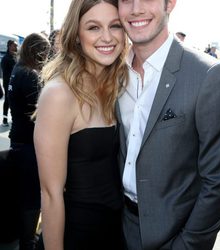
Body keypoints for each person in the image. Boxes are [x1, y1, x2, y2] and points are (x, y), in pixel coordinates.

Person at [117, 0, 220, 249]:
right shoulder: (113, 73)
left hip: (176, 237)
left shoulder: (208, 75)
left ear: (170, 3)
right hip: (119, 230)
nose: (136, 8)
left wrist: (188, 244)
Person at [33, 0, 128, 249]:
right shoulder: (58, 95)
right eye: (94, 27)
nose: (107, 37)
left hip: (115, 232)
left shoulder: (115, 85)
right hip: (76, 235)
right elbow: (51, 195)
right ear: (76, 35)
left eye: (115, 25)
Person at [8, 32, 50, 250]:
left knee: (25, 195)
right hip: (30, 146)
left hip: (18, 141)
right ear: (38, 51)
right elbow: (42, 115)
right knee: (32, 197)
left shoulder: (17, 70)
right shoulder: (31, 75)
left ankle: (26, 240)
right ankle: (28, 242)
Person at [0, 39, 18, 126]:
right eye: (15, 45)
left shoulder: (16, 57)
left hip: (16, 83)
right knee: (7, 100)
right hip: (8, 83)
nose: (16, 47)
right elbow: (5, 73)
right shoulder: (5, 58)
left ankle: (14, 118)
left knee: (15, 100)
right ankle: (4, 119)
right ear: (10, 46)